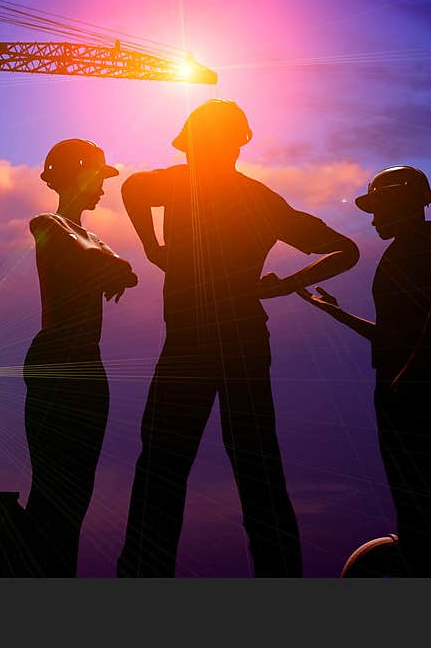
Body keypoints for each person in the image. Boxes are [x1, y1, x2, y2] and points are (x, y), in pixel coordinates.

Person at [117, 99, 359, 577]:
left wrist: (151, 246)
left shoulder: (179, 182)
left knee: (162, 469)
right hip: (244, 340)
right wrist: (284, 285)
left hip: (189, 344)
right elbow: (345, 249)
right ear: (237, 141)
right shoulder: (260, 199)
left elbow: (132, 189)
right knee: (258, 470)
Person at [298, 165, 431, 576]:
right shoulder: (405, 248)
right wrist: (338, 313)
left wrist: (410, 372)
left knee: (429, 494)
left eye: (379, 207)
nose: (373, 217)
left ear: (403, 201)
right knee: (413, 493)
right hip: (402, 381)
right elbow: (392, 337)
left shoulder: (430, 238)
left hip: (418, 385)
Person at [24, 138, 138, 576]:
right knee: (53, 484)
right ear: (76, 176)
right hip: (56, 359)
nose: (103, 190)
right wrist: (112, 266)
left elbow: (124, 268)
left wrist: (116, 267)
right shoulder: (47, 222)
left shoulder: (93, 236)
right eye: (98, 178)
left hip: (88, 362)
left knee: (76, 490)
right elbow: (93, 258)